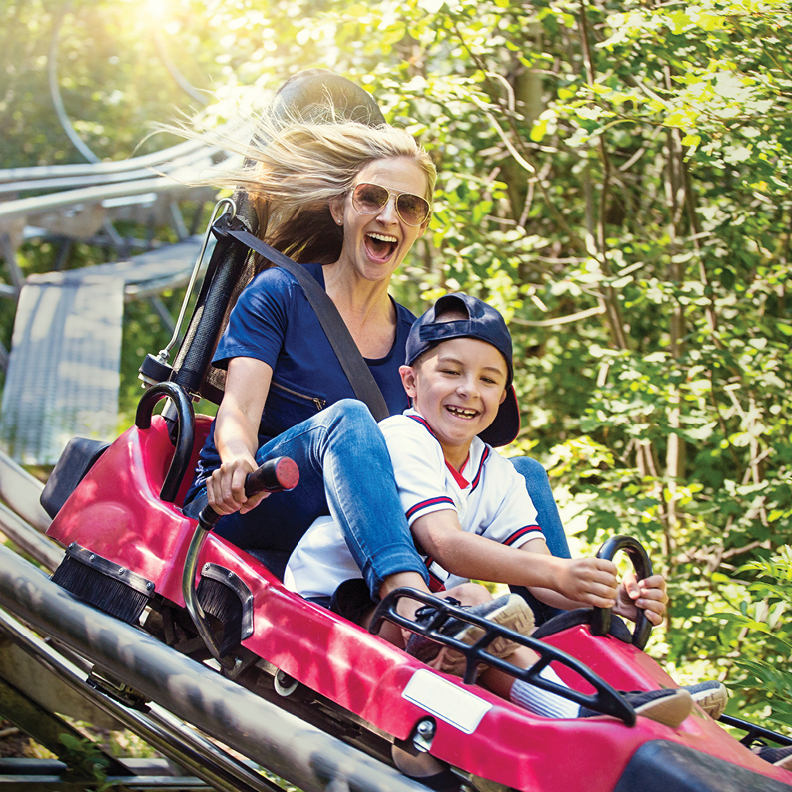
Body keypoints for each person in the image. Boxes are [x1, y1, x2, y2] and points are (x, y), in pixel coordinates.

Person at [182, 112, 575, 627]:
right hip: (251, 502)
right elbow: (238, 412)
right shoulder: (281, 295)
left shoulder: (419, 346)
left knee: (520, 473)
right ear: (340, 207)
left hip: (352, 532)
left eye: (408, 206)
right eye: (372, 197)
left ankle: (588, 633)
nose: (389, 216)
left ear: (420, 223)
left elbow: (441, 463)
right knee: (347, 419)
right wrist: (235, 460)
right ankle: (410, 605)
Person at [285, 293, 727, 726]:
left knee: (488, 628)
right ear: (411, 382)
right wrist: (558, 574)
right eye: (451, 371)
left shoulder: (497, 473)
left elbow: (540, 570)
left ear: (503, 397)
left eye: (488, 380)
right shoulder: (404, 436)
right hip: (340, 605)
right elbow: (445, 543)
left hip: (430, 615)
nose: (468, 390)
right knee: (477, 604)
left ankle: (593, 712)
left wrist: (612, 598)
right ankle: (579, 710)